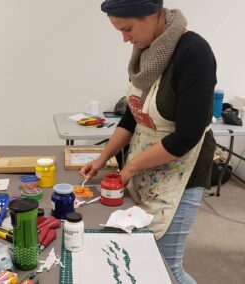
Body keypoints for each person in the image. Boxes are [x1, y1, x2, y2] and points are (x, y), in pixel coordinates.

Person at [80, 1, 216, 283]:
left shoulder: (193, 52)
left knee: (166, 266)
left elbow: (188, 136)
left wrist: (132, 166)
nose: (125, 38)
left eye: (127, 29)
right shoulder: (147, 53)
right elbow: (132, 117)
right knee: (142, 253)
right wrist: (102, 158)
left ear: (153, 15)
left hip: (181, 173)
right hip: (145, 167)